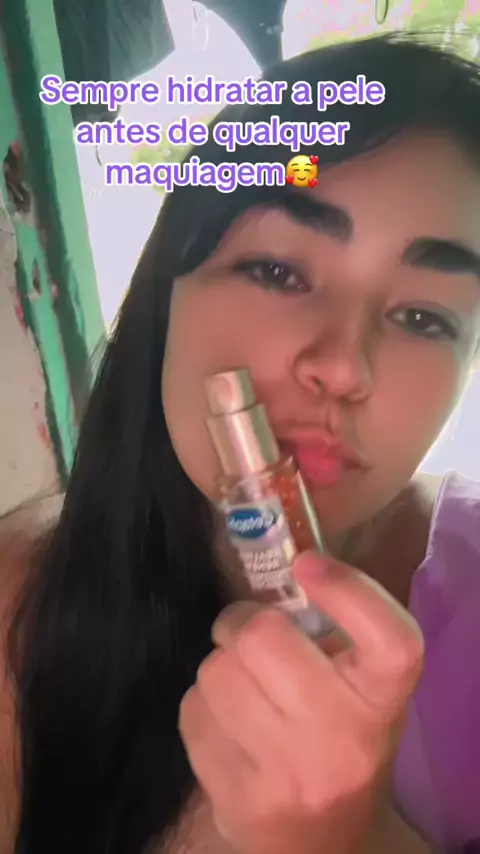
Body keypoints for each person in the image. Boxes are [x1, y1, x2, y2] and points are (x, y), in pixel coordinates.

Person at [0, 30, 479, 854]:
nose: (343, 367)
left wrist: (353, 839)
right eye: (279, 272)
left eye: (423, 317)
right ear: (167, 289)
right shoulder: (19, 597)